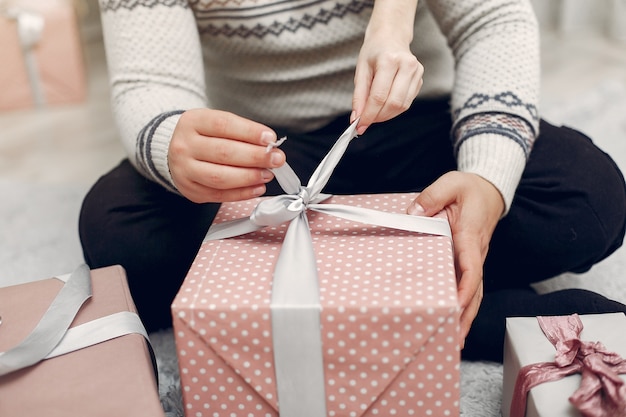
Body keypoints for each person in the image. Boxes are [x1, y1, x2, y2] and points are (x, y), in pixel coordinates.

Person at [81, 0, 626, 362]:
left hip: (418, 124)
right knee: (119, 237)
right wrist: (173, 143)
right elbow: (150, 82)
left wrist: (484, 179)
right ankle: (449, 315)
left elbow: (493, 21)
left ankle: (305, 310)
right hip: (266, 151)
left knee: (588, 199)